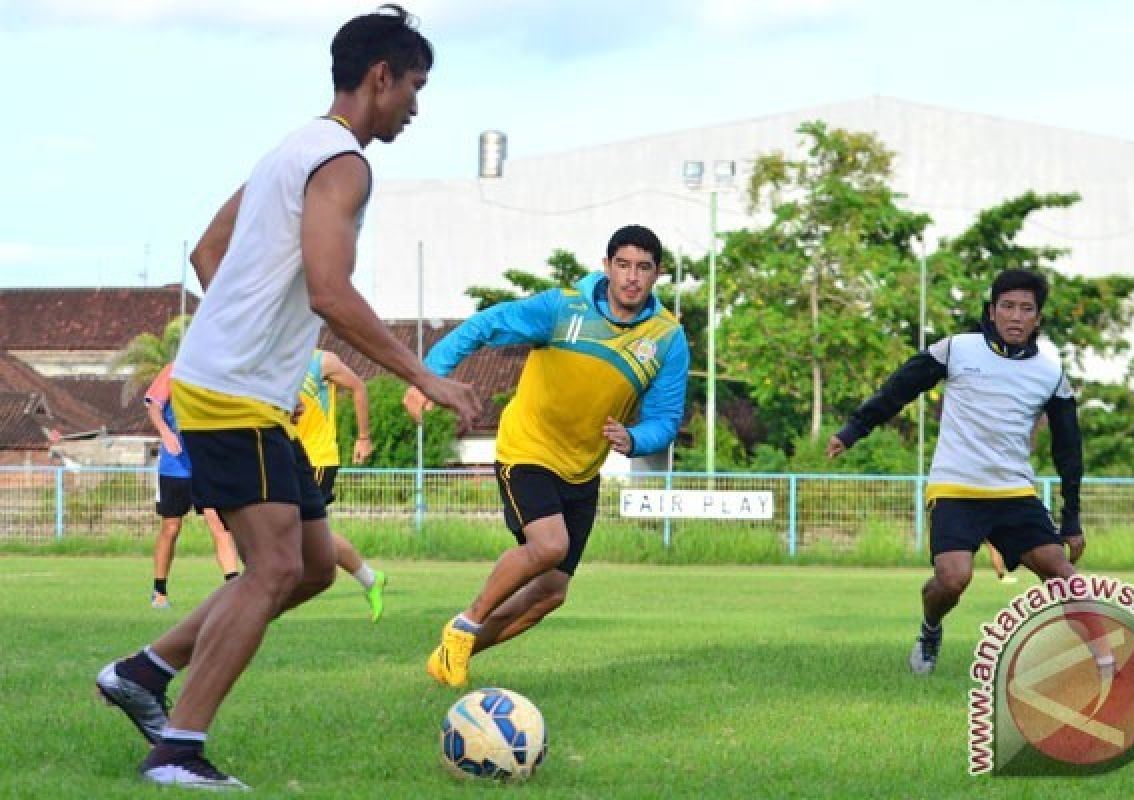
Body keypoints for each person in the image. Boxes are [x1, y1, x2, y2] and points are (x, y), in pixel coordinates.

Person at [95, 7, 480, 788]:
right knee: (271, 569)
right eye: (414, 86)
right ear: (381, 77)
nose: (415, 106)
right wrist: (423, 375)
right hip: (234, 393)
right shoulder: (344, 163)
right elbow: (333, 293)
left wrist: (252, 323)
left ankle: (144, 669)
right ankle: (177, 750)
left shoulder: (290, 148)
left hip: (236, 384)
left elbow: (209, 250)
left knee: (309, 567)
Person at [405, 224, 689, 689]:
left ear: (657, 274)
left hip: (583, 468)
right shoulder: (561, 309)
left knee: (550, 594)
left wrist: (636, 439)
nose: (632, 277)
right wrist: (430, 375)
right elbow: (485, 325)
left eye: (643, 268)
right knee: (549, 545)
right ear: (607, 267)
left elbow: (665, 416)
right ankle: (465, 623)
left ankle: (452, 653)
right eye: (623, 265)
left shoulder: (666, 338)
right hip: (527, 449)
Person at [827, 268, 1109, 676]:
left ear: (1037, 319)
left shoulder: (1050, 374)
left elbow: (1069, 449)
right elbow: (899, 389)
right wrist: (854, 430)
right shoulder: (957, 349)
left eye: (1026, 309)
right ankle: (930, 629)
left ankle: (1106, 662)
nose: (1016, 316)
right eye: (1007, 307)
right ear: (991, 311)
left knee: (1061, 571)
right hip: (956, 487)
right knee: (953, 579)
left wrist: (1072, 518)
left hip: (1014, 494)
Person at [294, 348, 387, 622]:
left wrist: (363, 437)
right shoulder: (271, 359)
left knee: (299, 527)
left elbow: (358, 388)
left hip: (318, 459)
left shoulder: (321, 361)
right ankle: (371, 580)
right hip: (286, 455)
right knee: (304, 530)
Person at [144, 363, 240, 608]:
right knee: (171, 527)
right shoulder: (175, 370)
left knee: (220, 527)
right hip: (174, 465)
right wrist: (166, 433)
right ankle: (159, 590)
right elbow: (154, 407)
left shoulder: (220, 370)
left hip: (207, 463)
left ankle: (234, 590)